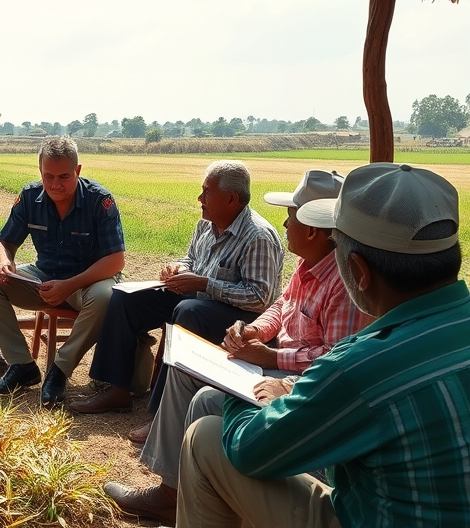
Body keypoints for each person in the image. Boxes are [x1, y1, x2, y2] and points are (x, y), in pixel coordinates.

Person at [177, 162, 468, 527]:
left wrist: (244, 384)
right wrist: (260, 337)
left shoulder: (360, 366)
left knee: (206, 437)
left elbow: (249, 451)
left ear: (358, 271)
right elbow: (283, 304)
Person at [104, 169, 373, 525]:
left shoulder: (342, 283)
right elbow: (281, 305)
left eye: (291, 216)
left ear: (312, 229)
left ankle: (180, 495)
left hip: (293, 376)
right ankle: (171, 488)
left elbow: (336, 358)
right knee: (186, 370)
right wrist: (255, 330)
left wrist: (273, 356)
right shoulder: (308, 264)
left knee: (203, 386)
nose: (285, 223)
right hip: (273, 360)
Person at [68, 160, 284, 417]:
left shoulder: (258, 236)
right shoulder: (206, 224)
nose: (200, 198)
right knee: (124, 298)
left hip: (239, 319)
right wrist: (177, 268)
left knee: (188, 311)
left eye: (207, 192)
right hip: (197, 299)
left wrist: (204, 284)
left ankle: (162, 412)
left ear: (231, 199)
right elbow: (191, 259)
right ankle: (116, 390)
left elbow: (259, 298)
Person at [0, 137, 125, 408]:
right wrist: (3, 262)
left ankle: (59, 370)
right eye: (48, 176)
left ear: (78, 171)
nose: (55, 184)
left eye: (64, 176)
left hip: (88, 283)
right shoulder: (30, 197)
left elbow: (115, 261)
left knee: (107, 296)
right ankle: (22, 365)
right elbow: (4, 242)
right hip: (43, 277)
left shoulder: (99, 200)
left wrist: (70, 285)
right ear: (40, 171)